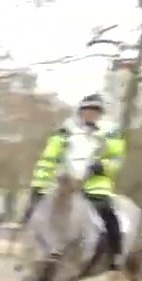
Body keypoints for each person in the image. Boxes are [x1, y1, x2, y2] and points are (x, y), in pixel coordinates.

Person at [24, 93, 127, 268]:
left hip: (95, 185)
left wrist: (103, 167)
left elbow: (117, 158)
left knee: (107, 214)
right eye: (86, 110)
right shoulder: (65, 131)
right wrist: (40, 185)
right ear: (80, 112)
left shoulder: (111, 133)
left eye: (94, 110)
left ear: (100, 113)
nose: (90, 114)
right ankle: (28, 253)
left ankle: (116, 254)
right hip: (62, 182)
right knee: (33, 212)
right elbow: (49, 158)